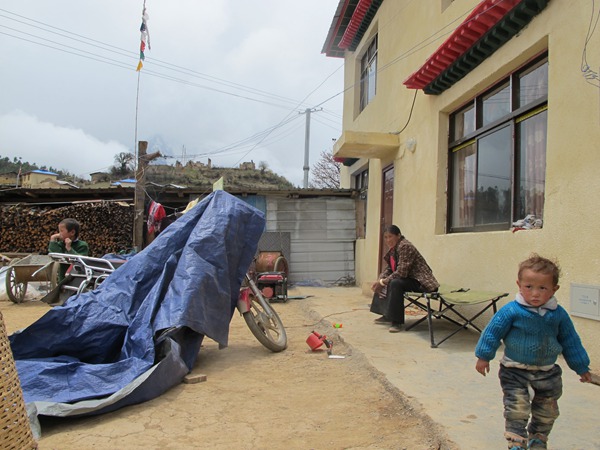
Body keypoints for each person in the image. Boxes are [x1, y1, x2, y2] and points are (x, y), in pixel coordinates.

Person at [475, 254, 592, 450]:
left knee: (547, 411)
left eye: (542, 288)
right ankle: (517, 443)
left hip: (548, 372)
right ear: (519, 284)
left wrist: (581, 367)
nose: (535, 293)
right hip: (514, 370)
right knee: (516, 409)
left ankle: (538, 438)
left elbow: (571, 341)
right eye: (529, 287)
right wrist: (483, 356)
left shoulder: (558, 315)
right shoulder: (512, 311)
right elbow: (492, 333)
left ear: (554, 289)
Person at [370, 225, 439, 333]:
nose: (388, 240)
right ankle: (387, 315)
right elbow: (389, 269)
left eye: (390, 237)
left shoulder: (405, 246)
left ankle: (396, 322)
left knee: (395, 283)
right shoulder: (394, 249)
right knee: (386, 281)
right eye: (386, 237)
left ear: (398, 236)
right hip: (408, 279)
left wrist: (383, 282)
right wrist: (380, 280)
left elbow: (401, 272)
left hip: (422, 283)